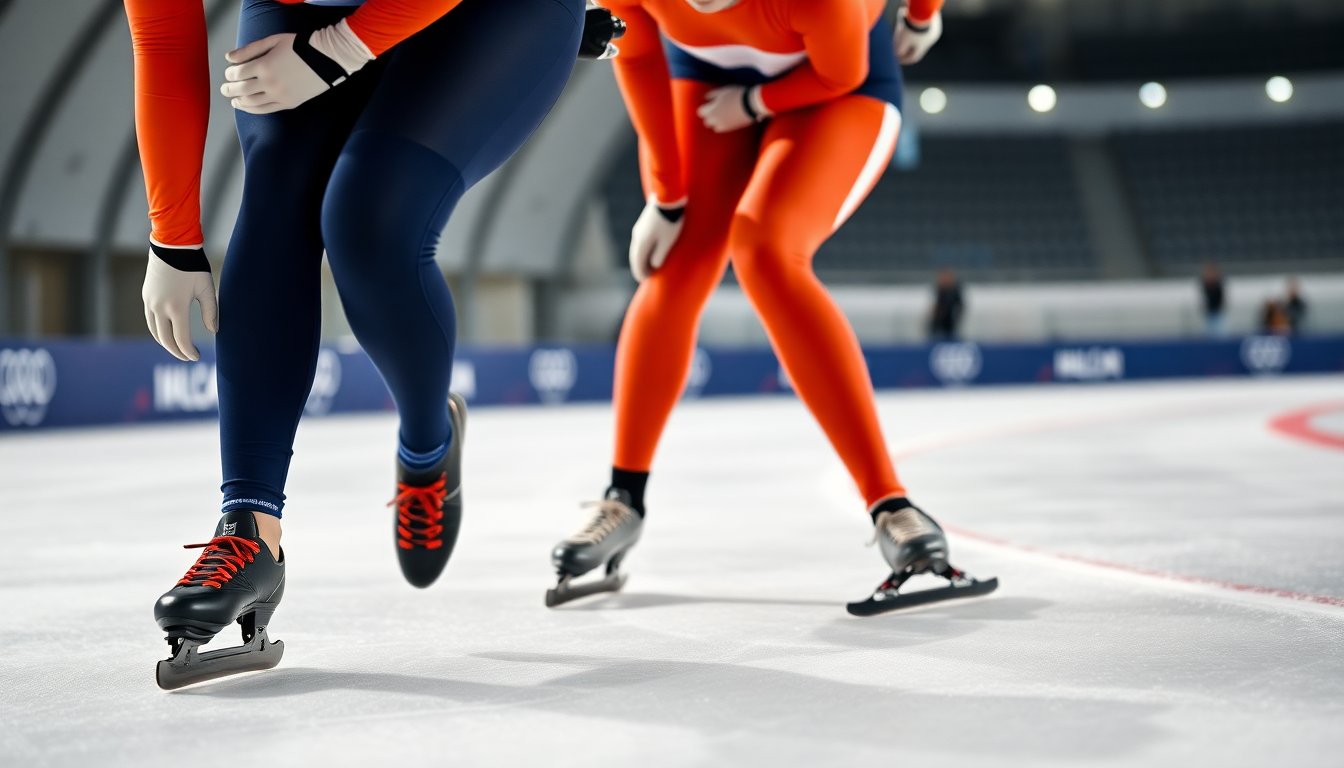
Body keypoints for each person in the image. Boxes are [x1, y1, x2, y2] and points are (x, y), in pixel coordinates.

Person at [126, 0, 585, 688]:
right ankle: (250, 529)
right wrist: (174, 235)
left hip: (491, 15)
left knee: (371, 218)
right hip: (303, 14)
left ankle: (428, 443)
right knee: (277, 188)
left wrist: (336, 50)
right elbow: (164, 39)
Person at [545, 0, 996, 615]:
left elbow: (836, 75)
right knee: (674, 269)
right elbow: (640, 51)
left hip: (839, 83)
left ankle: (892, 504)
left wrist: (920, 15)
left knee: (767, 252)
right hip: (706, 79)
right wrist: (668, 196)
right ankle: (622, 496)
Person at [928, 267, 963, 340]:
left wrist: (957, 316)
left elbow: (960, 306)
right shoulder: (939, 291)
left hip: (950, 323)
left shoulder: (955, 292)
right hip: (938, 323)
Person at [1200, 262, 1226, 337]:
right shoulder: (1205, 284)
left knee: (1220, 333)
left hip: (1218, 312)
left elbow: (1221, 298)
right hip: (1209, 313)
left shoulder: (1219, 283)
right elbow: (1204, 299)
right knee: (1210, 334)